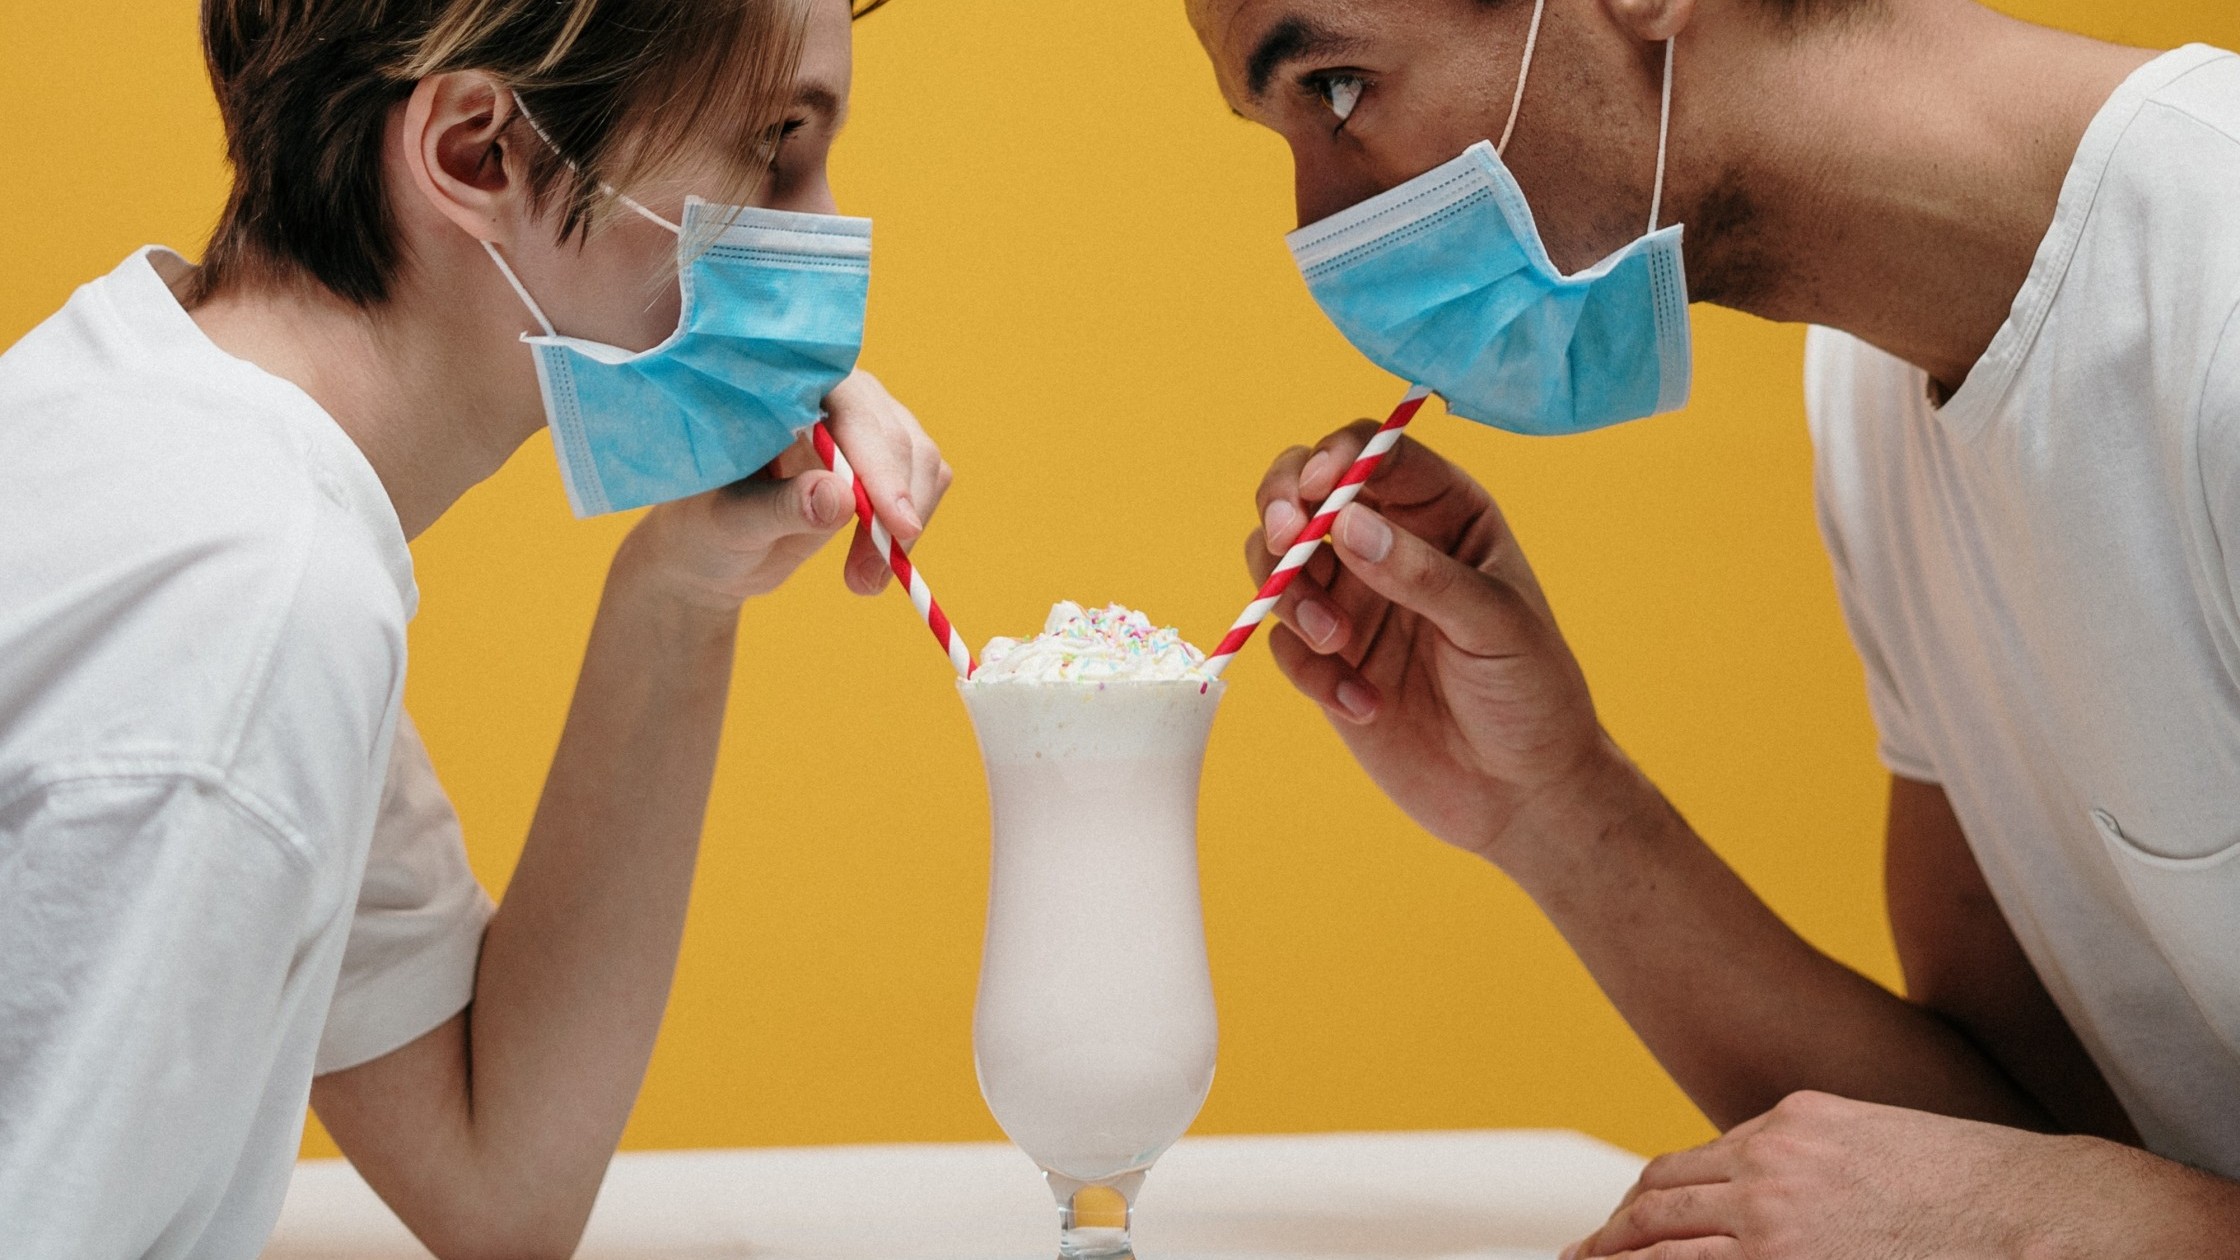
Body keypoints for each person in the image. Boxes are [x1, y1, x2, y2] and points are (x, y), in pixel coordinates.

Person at [1189, 0, 2240, 1253]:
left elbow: (2025, 1202)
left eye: (1339, 88)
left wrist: (2038, 1227)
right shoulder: (1875, 392)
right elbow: (2017, 1136)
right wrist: (1553, 806)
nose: (1319, 225)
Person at [0, 0, 948, 1254]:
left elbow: (498, 1183)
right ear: (475, 155)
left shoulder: (176, 463)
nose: (822, 230)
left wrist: (682, 590)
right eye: (772, 142)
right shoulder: (246, 611)